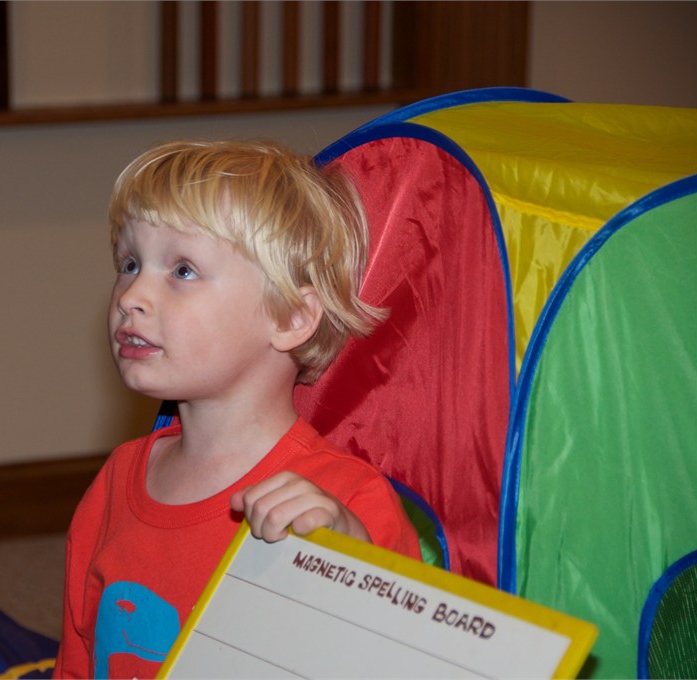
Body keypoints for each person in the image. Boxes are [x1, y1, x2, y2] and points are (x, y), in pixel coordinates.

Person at [54, 139, 421, 679]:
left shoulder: (348, 503)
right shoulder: (117, 480)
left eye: (182, 270)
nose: (131, 296)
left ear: (291, 317)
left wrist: (350, 561)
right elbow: (77, 663)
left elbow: (403, 661)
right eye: (129, 264)